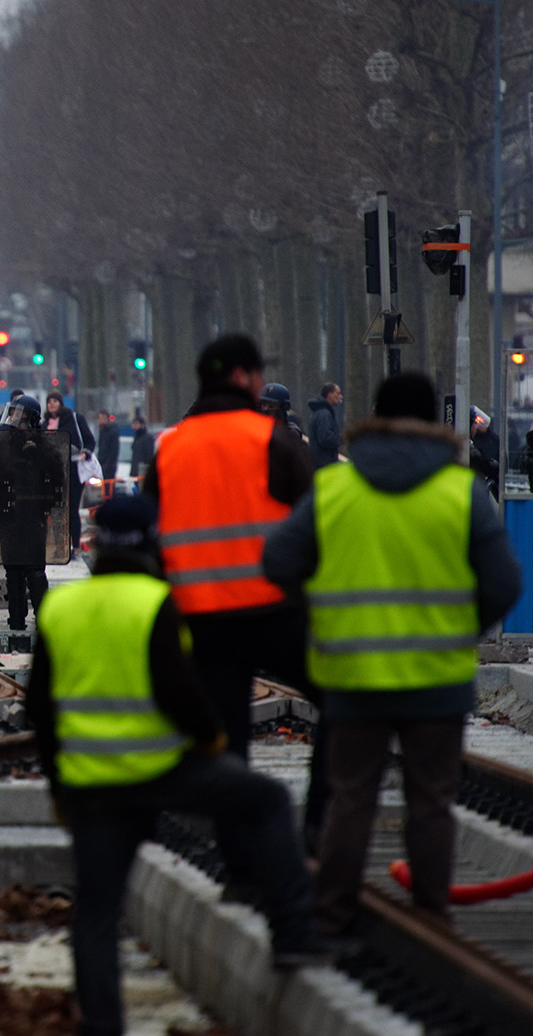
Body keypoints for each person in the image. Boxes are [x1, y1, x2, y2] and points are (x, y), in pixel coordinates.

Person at [28, 494, 325, 1036]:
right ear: (150, 542)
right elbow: (177, 689)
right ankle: (293, 934)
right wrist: (212, 739)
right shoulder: (157, 601)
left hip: (91, 786)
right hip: (165, 772)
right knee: (265, 799)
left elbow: (39, 711)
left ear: (93, 544)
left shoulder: (60, 608)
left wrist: (60, 788)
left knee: (94, 912)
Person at [262, 373, 521, 940]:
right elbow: (504, 584)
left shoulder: (335, 490)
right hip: (438, 678)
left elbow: (278, 561)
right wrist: (458, 630)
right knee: (431, 800)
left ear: (374, 417)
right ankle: (432, 916)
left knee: (351, 797)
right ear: (435, 422)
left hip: (352, 676)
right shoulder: (461, 492)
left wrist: (321, 619)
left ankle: (331, 916)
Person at [141, 333, 327, 867]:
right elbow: (315, 522)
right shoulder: (273, 439)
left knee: (227, 746)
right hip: (274, 613)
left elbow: (150, 539)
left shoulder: (170, 448)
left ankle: (240, 866)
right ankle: (318, 825)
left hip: (202, 622)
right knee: (345, 697)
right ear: (246, 377)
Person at [0, 395, 61, 630]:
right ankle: (16, 618)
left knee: (34, 567)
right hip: (9, 515)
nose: (13, 420)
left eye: (19, 416)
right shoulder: (2, 444)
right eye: (12, 414)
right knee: (12, 567)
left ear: (31, 419)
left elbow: (57, 480)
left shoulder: (44, 446)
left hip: (33, 515)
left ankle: (44, 618)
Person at [43, 390, 94, 558]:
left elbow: (89, 440)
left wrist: (85, 453)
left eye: (55, 401)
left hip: (73, 470)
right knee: (57, 510)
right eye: (49, 401)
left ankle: (76, 546)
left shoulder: (74, 419)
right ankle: (60, 546)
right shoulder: (44, 424)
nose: (51, 404)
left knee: (71, 509)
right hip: (53, 472)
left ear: (61, 403)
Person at [307, 382, 344, 468]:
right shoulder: (324, 414)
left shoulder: (320, 412)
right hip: (324, 465)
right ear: (330, 395)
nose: (341, 397)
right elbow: (325, 439)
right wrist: (341, 439)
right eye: (338, 393)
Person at [469, 406, 501, 500]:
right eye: (474, 423)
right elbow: (483, 462)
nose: (476, 427)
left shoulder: (491, 439)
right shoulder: (470, 448)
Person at [95, 410, 120, 481]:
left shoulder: (112, 431)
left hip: (109, 466)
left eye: (103, 418)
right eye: (100, 418)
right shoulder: (101, 431)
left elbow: (114, 449)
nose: (101, 421)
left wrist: (108, 464)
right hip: (101, 464)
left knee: (108, 486)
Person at [128, 416, 155, 480]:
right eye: (133, 424)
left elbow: (149, 455)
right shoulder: (136, 437)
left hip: (142, 470)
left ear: (142, 425)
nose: (134, 426)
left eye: (136, 424)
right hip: (135, 471)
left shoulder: (147, 438)